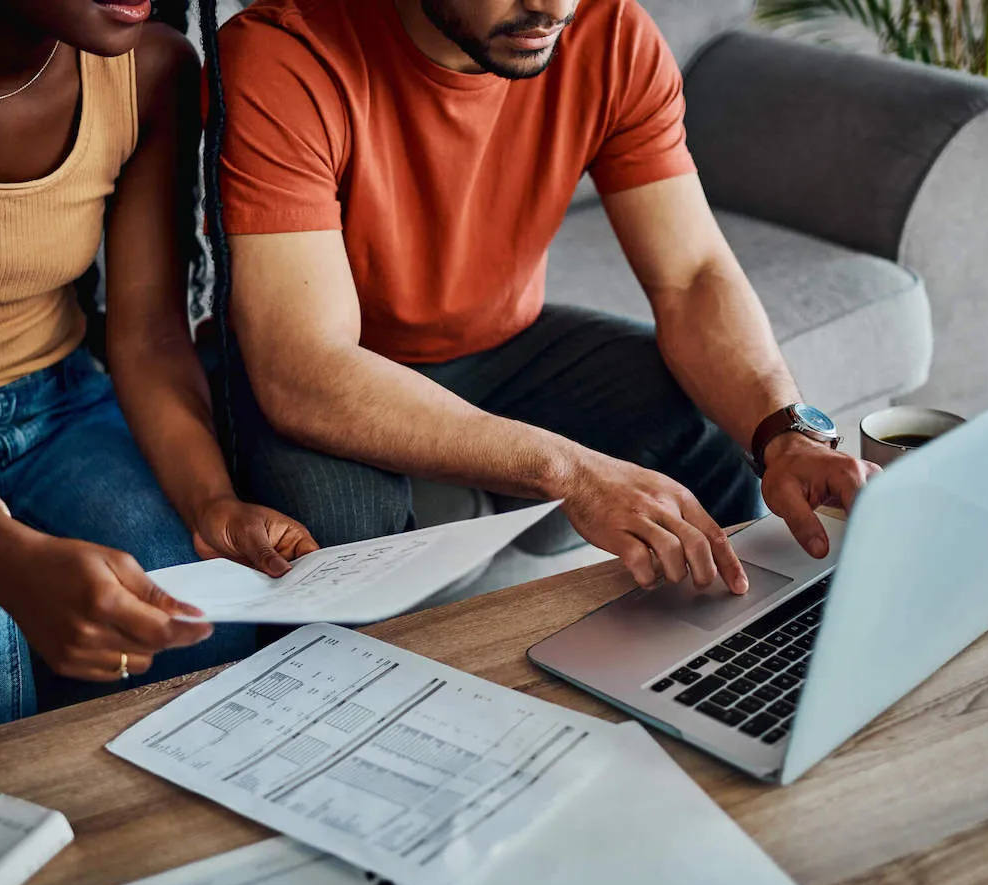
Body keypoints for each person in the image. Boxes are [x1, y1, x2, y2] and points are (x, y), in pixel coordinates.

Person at [202, 0, 880, 595]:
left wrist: (783, 434)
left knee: (702, 428)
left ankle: (729, 664)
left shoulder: (610, 33)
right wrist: (571, 471)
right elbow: (304, 369)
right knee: (341, 544)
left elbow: (693, 274)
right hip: (338, 364)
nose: (552, 7)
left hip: (507, 344)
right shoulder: (283, 54)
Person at [0, 0, 317, 748]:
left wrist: (211, 500)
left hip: (62, 403)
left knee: (198, 625)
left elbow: (150, 335)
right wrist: (1, 555)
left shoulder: (151, 69)